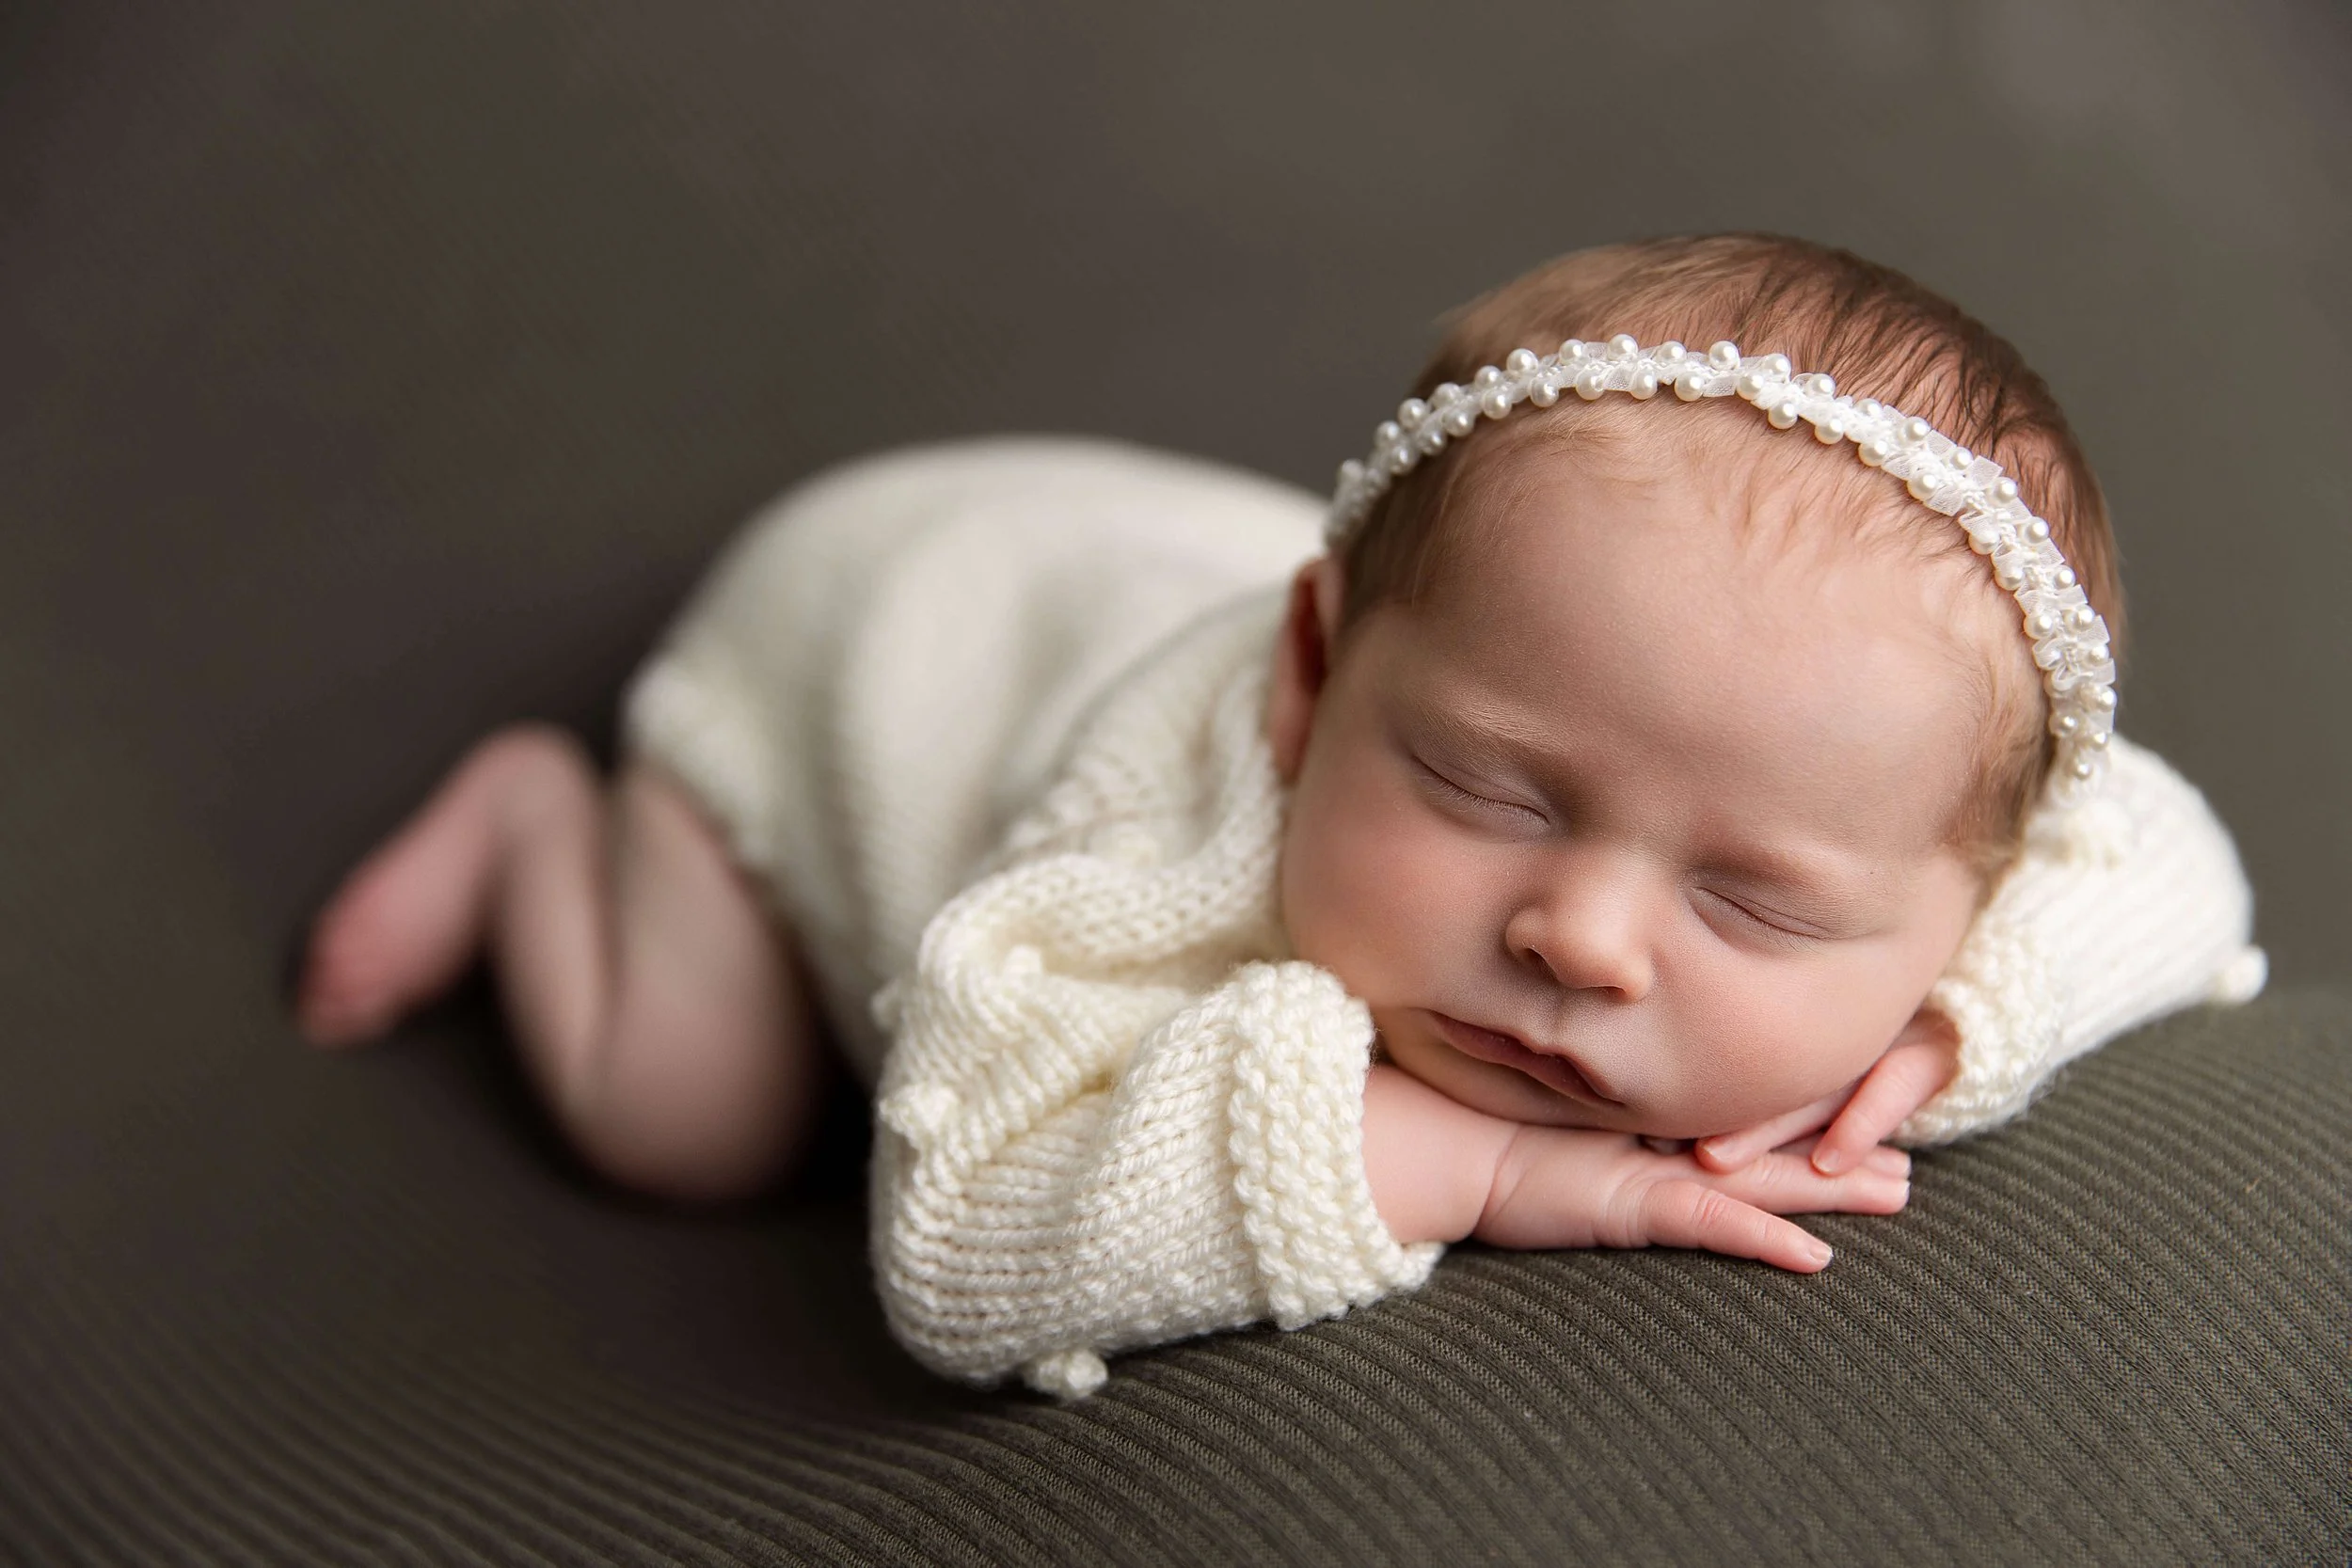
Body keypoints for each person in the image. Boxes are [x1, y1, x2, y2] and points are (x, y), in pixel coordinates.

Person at [292, 233, 2263, 1398]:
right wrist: (1476, 1164)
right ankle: (542, 822)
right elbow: (966, 1240)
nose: (1580, 935)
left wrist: (1951, 1027)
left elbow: (2174, 861)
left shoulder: (1904, 818)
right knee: (689, 1116)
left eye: (1755, 901)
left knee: (1551, 651)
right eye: (1486, 789)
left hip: (1177, 554)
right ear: (1310, 680)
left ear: (1973, 891)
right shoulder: (1147, 857)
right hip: (866, 637)